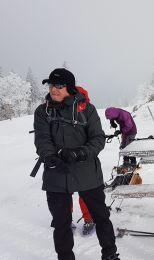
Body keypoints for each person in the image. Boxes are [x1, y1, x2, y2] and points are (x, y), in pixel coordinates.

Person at [33, 68, 120, 260]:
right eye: (51, 85)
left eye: (59, 86)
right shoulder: (42, 111)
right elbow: (42, 139)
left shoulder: (87, 110)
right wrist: (51, 157)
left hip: (87, 170)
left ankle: (110, 255)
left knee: (101, 217)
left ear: (70, 88)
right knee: (61, 223)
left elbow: (98, 138)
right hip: (56, 172)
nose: (53, 90)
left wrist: (80, 153)